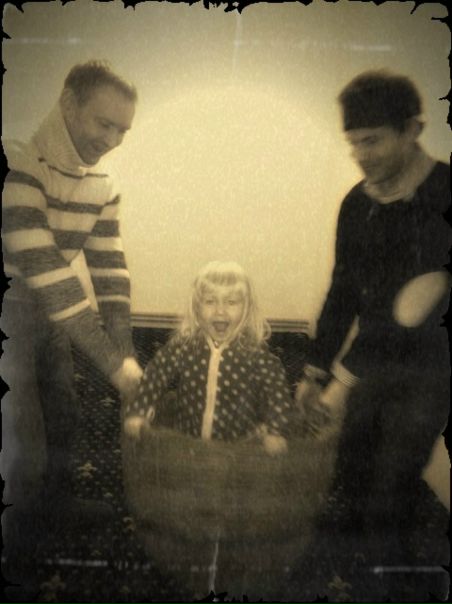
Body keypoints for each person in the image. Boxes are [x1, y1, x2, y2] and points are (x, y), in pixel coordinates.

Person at [296, 70, 451, 565]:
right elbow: (343, 291)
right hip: (373, 361)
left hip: (431, 366)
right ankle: (350, 562)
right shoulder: (356, 203)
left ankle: (386, 574)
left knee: (392, 484)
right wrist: (314, 369)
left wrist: (339, 384)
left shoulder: (445, 196)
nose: (361, 155)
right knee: (352, 466)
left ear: (413, 129)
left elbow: (405, 314)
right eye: (354, 143)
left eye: (373, 141)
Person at [1, 60, 143, 598]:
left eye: (122, 130)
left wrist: (125, 352)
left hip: (51, 311)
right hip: (10, 306)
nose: (112, 140)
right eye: (103, 123)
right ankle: (17, 547)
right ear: (68, 104)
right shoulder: (17, 163)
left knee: (63, 409)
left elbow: (110, 271)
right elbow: (46, 272)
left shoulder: (104, 183)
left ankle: (55, 505)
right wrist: (111, 365)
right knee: (21, 432)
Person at [124, 261, 295, 455]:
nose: (220, 310)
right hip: (188, 442)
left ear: (246, 310)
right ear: (197, 308)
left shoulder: (255, 354)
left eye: (231, 302)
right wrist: (139, 411)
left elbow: (277, 392)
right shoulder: (186, 346)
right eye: (210, 301)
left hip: (238, 448)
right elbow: (156, 374)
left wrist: (276, 431)